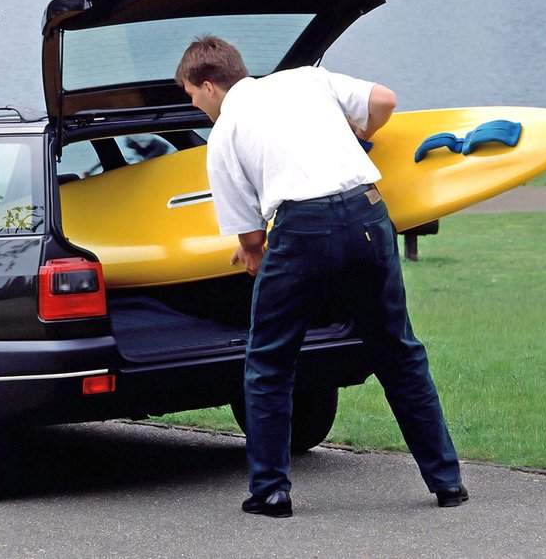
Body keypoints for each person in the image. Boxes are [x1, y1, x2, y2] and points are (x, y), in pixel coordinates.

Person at [175, 35, 467, 518]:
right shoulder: (306, 79)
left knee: (270, 363)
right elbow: (384, 101)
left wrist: (252, 255)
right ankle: (448, 482)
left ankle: (270, 492)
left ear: (208, 86)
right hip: (368, 213)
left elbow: (250, 240)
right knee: (399, 353)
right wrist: (355, 132)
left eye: (190, 95)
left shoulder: (225, 133)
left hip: (302, 231)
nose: (194, 106)